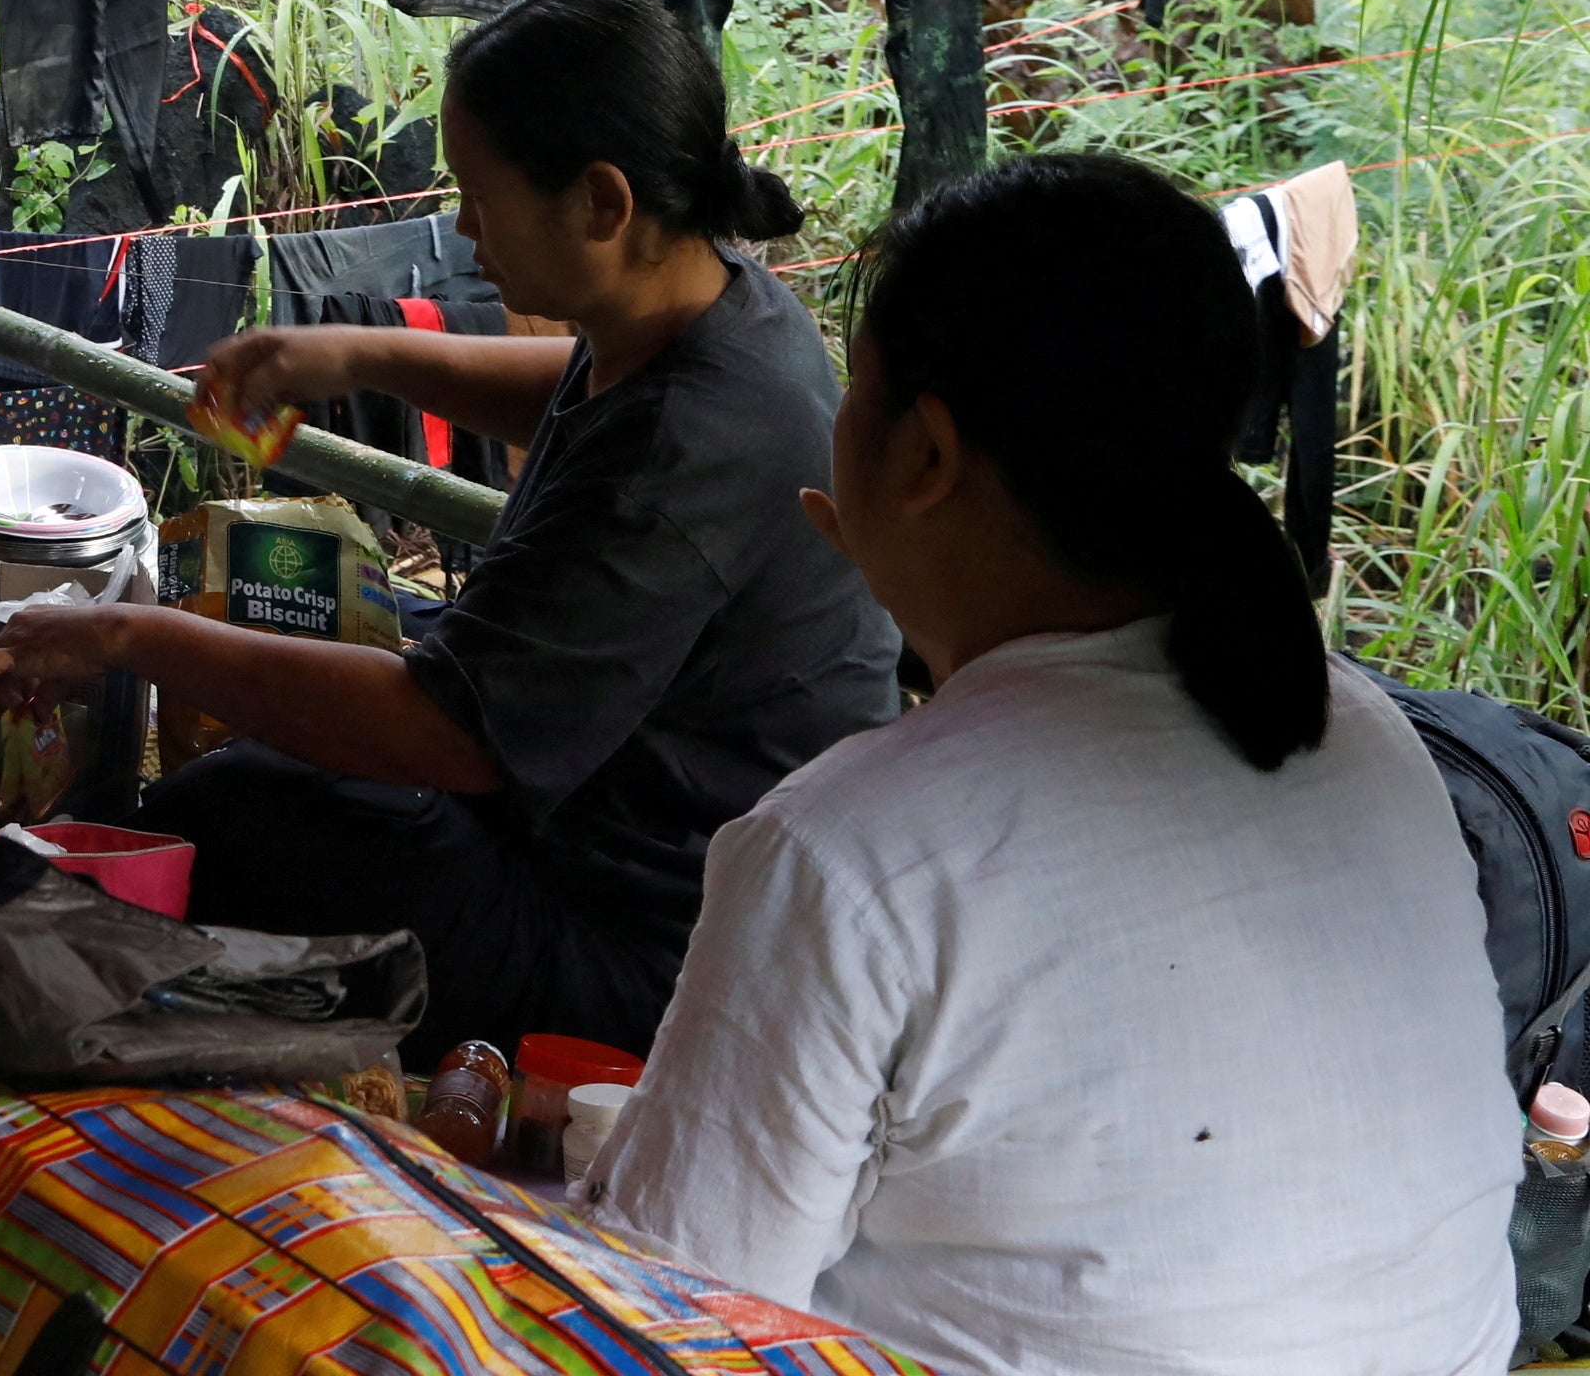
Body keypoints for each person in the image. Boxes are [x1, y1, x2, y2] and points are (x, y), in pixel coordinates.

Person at [589, 155, 1514, 1376]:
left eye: (852, 388)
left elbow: (670, 1327)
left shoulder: (846, 854)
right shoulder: (1367, 735)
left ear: (924, 455)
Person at [0, 0, 895, 1053]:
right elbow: (578, 384)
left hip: (657, 958)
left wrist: (133, 635)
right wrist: (360, 353)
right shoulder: (709, 309)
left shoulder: (688, 442)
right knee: (251, 775)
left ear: (602, 203)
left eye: (479, 193)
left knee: (233, 826)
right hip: (583, 840)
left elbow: (445, 733)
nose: (461, 225)